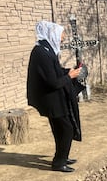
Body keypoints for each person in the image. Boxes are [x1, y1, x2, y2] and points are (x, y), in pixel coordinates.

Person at [27, 21, 85, 172]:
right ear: (51, 33)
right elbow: (52, 82)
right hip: (51, 99)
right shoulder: (41, 53)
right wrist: (70, 76)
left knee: (60, 129)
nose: (63, 38)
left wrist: (67, 72)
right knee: (66, 129)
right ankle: (59, 162)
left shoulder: (46, 49)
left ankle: (62, 157)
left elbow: (54, 71)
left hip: (54, 97)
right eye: (61, 34)